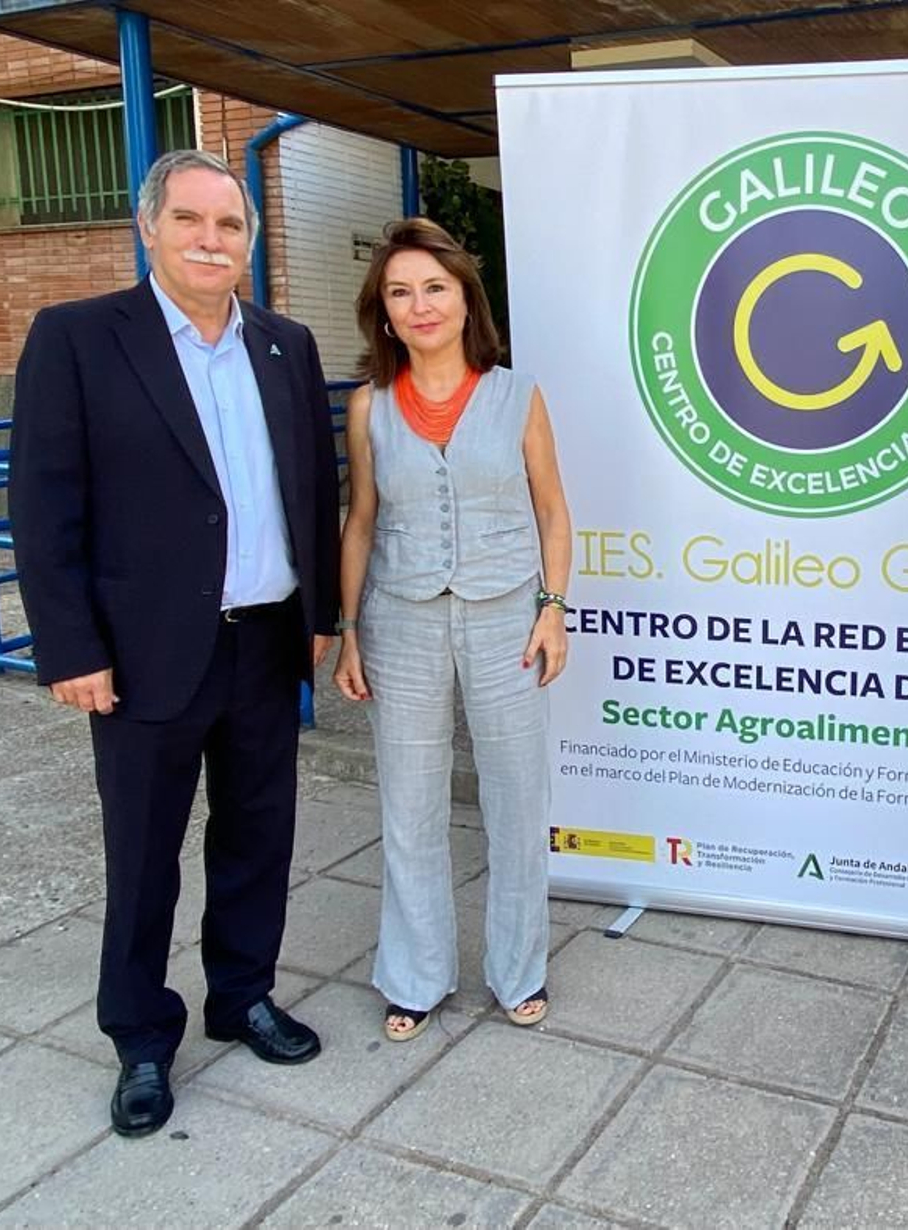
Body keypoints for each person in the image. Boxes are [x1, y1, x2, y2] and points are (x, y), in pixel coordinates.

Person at [9, 149, 339, 1138]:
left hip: (265, 643)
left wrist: (319, 617)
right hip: (143, 652)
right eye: (191, 221)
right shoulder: (76, 338)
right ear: (149, 228)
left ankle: (241, 997)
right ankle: (142, 1038)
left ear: (248, 240)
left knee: (257, 838)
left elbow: (313, 491)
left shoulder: (286, 344)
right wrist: (69, 648)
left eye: (229, 225)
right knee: (144, 854)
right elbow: (44, 503)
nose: (211, 241)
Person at [332, 217, 571, 1042]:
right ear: (385, 313)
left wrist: (554, 609)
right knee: (409, 804)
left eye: (435, 287)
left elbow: (553, 510)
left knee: (516, 797)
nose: (420, 304)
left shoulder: (517, 394)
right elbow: (360, 520)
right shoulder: (367, 407)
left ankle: (519, 969)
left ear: (466, 300)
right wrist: (350, 629)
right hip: (398, 618)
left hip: (508, 614)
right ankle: (414, 974)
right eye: (401, 292)